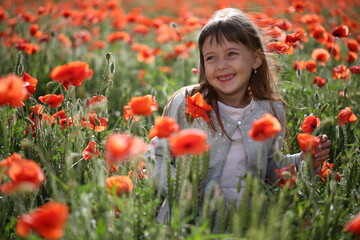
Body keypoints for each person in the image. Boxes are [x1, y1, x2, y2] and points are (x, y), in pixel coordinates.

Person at [151, 8, 331, 224]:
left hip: (246, 225)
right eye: (211, 58)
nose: (221, 65)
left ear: (255, 59)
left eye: (231, 54)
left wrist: (305, 161)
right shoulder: (187, 102)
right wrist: (177, 186)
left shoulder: (270, 112)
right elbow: (157, 156)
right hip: (187, 224)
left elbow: (271, 167)